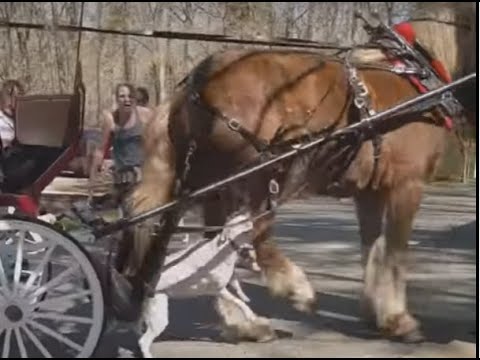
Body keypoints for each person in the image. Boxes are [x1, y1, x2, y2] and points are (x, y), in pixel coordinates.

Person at [91, 82, 153, 271]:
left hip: (145, 176)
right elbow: (100, 150)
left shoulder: (145, 115)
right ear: (116, 99)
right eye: (122, 96)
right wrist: (92, 179)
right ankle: (120, 270)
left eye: (129, 96)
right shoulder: (111, 120)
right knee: (131, 227)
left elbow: (159, 140)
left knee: (141, 224)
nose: (126, 100)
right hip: (124, 179)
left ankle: (138, 271)